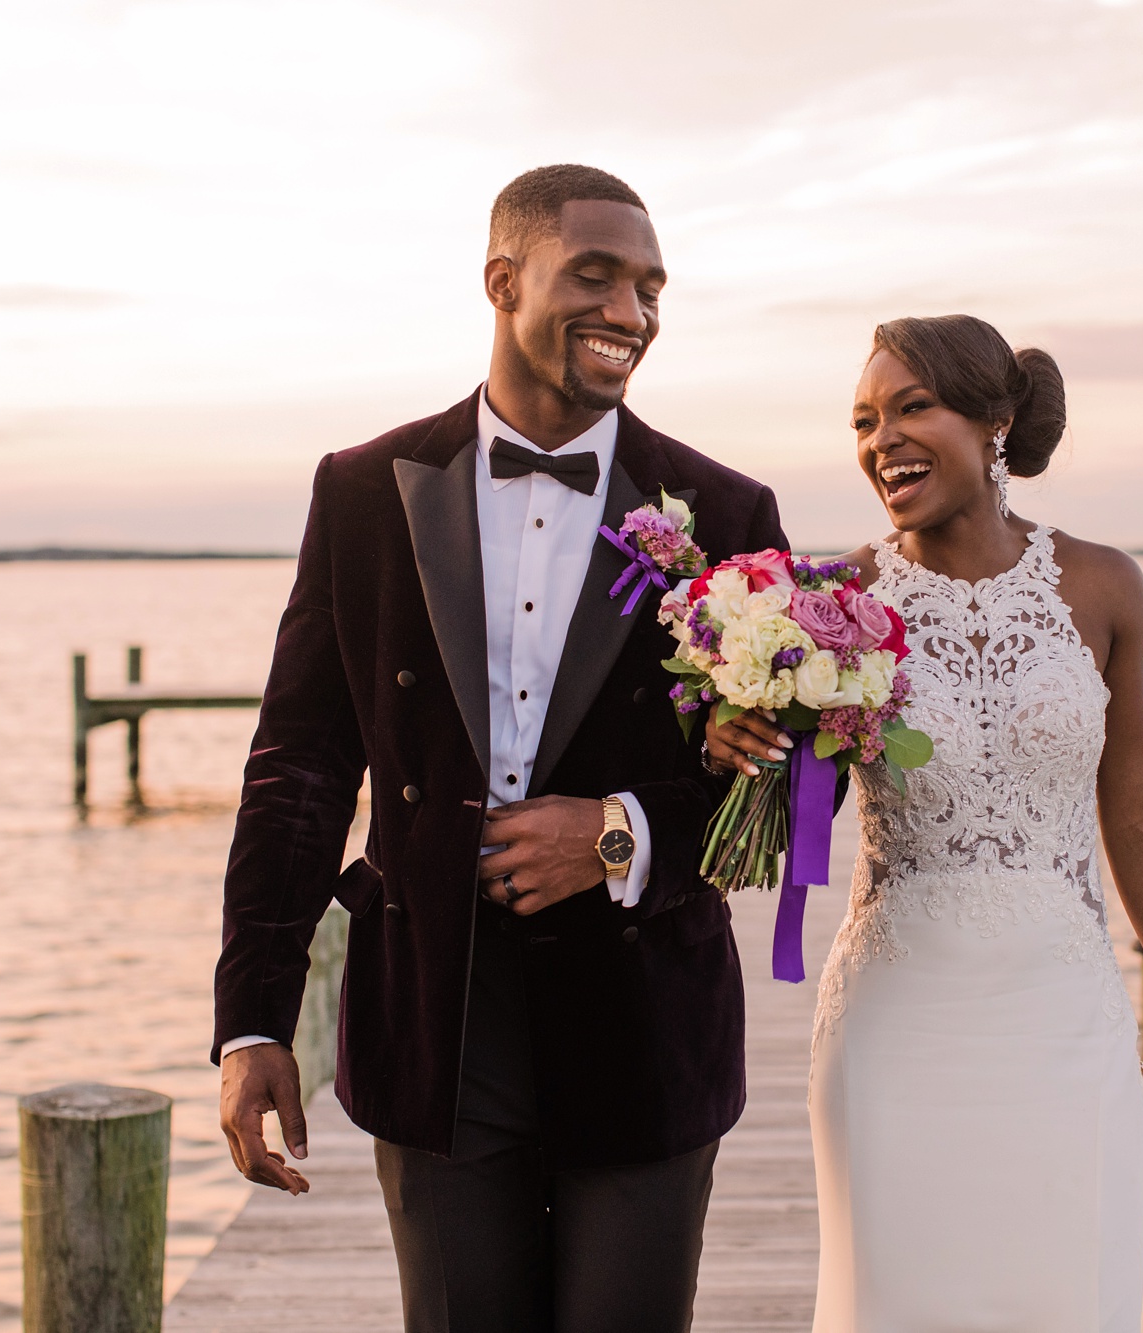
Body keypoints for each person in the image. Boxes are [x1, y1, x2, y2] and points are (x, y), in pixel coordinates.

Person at [706, 315, 1143, 1332]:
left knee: (1070, 1290)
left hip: (1062, 1013)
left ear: (995, 421)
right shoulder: (832, 601)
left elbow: (1140, 815)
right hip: (897, 1018)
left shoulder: (1103, 585)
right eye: (862, 420)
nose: (880, 438)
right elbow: (783, 804)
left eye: (909, 407)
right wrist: (742, 729)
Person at [213, 164, 788, 1333]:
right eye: (596, 276)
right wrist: (255, 1018)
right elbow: (300, 765)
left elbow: (773, 783)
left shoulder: (722, 513)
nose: (631, 312)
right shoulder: (366, 491)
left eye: (649, 288)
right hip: (436, 1016)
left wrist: (617, 834)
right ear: (501, 279)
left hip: (642, 1027)